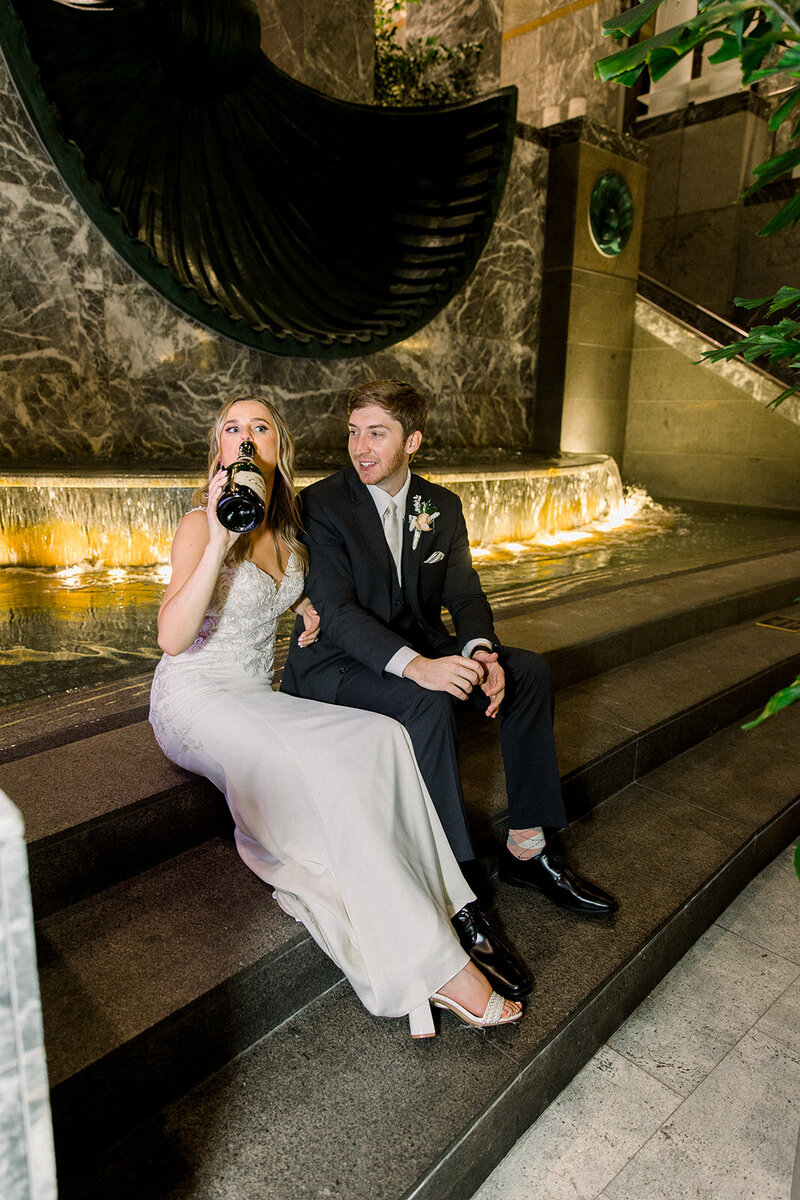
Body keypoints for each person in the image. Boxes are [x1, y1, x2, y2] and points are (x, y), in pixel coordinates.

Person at [148, 394, 522, 1037]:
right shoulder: (198, 525)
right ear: (220, 451)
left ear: (276, 450)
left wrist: (302, 610)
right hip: (195, 700)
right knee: (327, 767)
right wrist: (216, 537)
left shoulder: (292, 538)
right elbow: (172, 638)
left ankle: (444, 900)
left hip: (255, 695)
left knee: (381, 737)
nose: (243, 436)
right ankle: (435, 966)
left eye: (258, 426)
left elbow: (288, 595)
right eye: (231, 428)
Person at [282, 379, 618, 997]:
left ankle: (528, 847)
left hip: (418, 645)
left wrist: (478, 652)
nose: (360, 446)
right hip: (336, 664)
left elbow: (463, 594)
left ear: (413, 440)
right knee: (428, 701)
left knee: (529, 672)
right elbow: (336, 608)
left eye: (376, 432)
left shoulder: (442, 505)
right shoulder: (321, 505)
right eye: (353, 431)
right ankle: (455, 892)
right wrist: (418, 666)